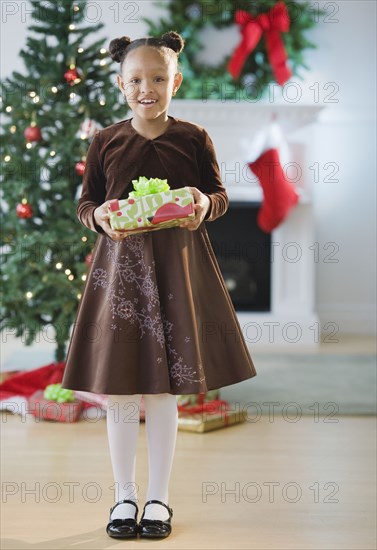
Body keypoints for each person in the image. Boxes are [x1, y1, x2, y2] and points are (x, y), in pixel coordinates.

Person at [61, 31, 257, 539]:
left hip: (177, 270)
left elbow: (218, 196)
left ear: (175, 80)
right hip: (120, 278)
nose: (146, 88)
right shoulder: (105, 140)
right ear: (121, 83)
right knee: (123, 390)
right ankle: (123, 495)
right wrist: (100, 216)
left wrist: (200, 202)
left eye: (157, 78)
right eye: (135, 80)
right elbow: (87, 204)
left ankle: (158, 498)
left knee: (164, 389)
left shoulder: (193, 137)